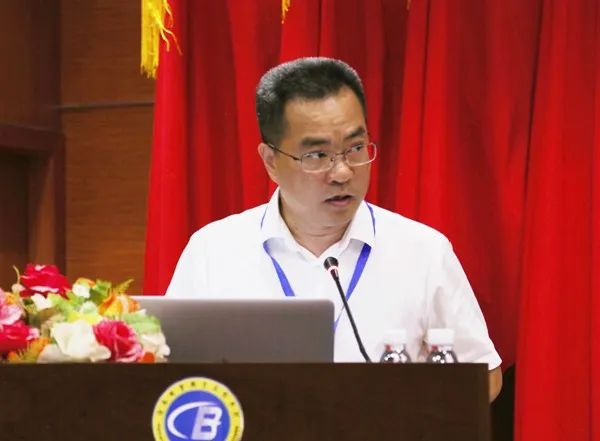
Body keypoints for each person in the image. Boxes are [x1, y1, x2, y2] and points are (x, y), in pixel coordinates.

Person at [166, 57, 503, 401]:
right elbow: (168, 379)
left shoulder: (423, 252)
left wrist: (413, 414)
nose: (342, 172)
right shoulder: (212, 252)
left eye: (355, 148)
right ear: (270, 161)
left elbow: (483, 374)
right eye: (317, 155)